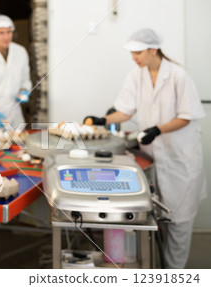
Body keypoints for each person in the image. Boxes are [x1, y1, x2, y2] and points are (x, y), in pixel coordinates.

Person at [85, 28, 207, 269]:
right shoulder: (136, 75)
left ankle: (174, 274)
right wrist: (102, 120)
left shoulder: (178, 76)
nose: (134, 57)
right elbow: (126, 109)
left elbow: (187, 116)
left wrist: (157, 130)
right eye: (132, 53)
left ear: (153, 50)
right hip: (153, 158)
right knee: (152, 217)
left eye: (138, 52)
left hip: (180, 158)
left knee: (179, 222)